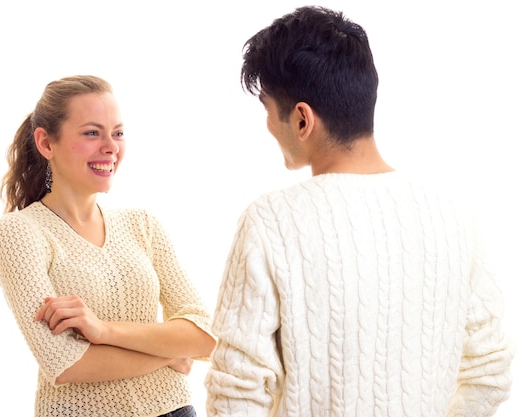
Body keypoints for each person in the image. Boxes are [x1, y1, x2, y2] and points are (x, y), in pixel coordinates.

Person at [204, 6, 513, 417]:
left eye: (267, 110)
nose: (267, 125)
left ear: (301, 120)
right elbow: (490, 371)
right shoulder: (453, 215)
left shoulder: (271, 222)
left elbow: (236, 395)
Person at [0, 75, 215, 417]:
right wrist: (169, 353)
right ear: (46, 143)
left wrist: (102, 330)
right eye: (92, 132)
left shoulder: (142, 224)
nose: (111, 146)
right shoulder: (20, 232)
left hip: (175, 410)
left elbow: (203, 335)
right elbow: (66, 364)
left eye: (118, 132)